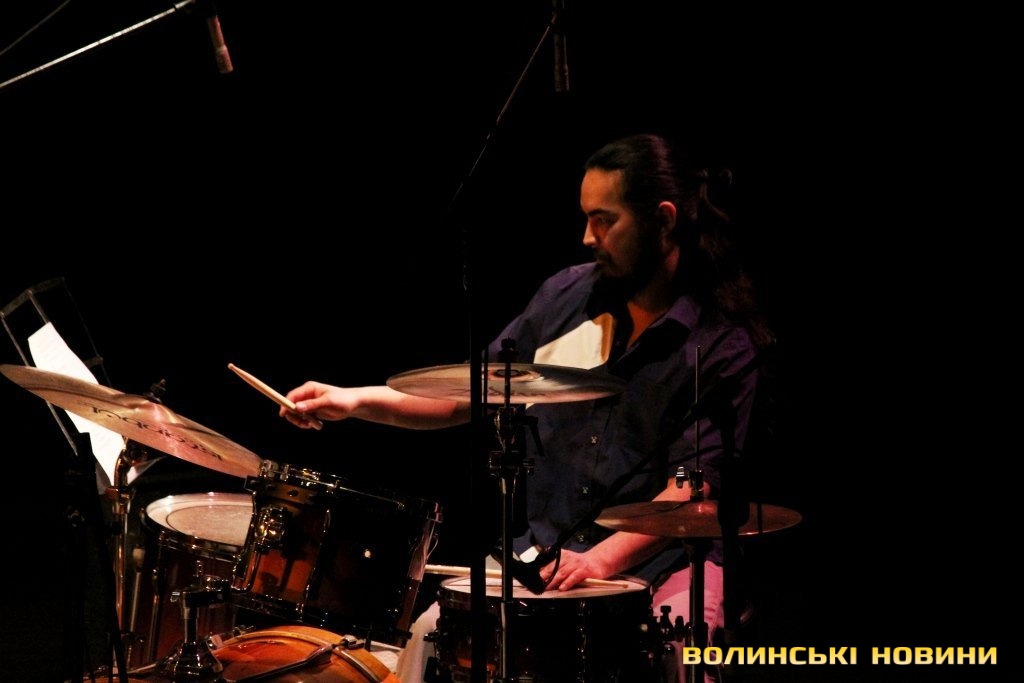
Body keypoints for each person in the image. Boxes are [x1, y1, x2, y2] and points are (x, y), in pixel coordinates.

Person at [279, 133, 775, 683]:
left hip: (664, 564)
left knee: (684, 653)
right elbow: (468, 395)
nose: (587, 237)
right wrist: (352, 400)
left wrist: (599, 561)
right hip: (546, 554)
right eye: (586, 218)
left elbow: (690, 491)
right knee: (427, 637)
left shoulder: (718, 344)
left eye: (605, 220)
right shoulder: (565, 297)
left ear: (662, 220)